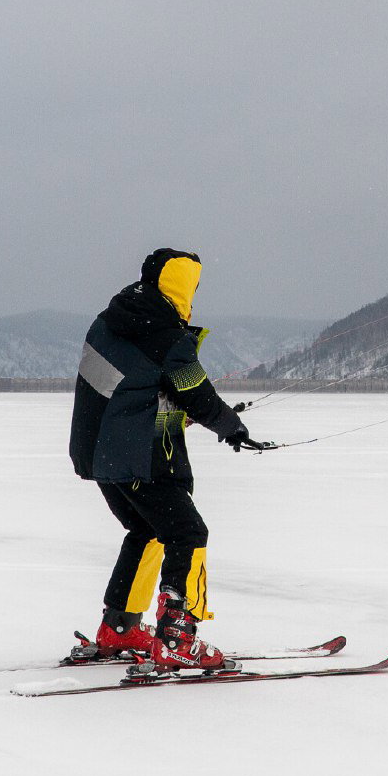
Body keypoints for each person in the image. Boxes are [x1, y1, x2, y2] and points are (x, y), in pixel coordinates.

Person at [69, 248, 270, 671]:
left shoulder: (111, 319)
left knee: (146, 529)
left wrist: (167, 408)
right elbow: (194, 391)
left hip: (100, 454)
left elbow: (131, 387)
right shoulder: (166, 335)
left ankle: (119, 627)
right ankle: (178, 637)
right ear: (181, 286)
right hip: (141, 456)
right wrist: (232, 427)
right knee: (187, 532)